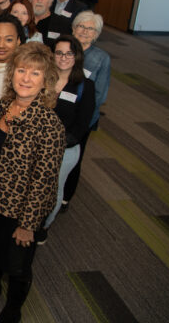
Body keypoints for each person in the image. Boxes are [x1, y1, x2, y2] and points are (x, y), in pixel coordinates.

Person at [0, 42, 65, 323]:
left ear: (46, 81)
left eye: (35, 74)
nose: (26, 78)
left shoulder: (49, 124)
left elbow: (44, 181)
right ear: (12, 74)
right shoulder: (2, 107)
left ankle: (13, 311)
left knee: (18, 266)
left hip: (20, 211)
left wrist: (28, 225)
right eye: (21, 70)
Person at [41, 35, 95, 239]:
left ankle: (44, 226)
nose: (63, 58)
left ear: (77, 56)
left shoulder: (85, 86)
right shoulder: (43, 78)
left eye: (69, 53)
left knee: (53, 190)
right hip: (37, 144)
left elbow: (82, 124)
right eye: (59, 53)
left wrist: (57, 145)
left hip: (65, 149)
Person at [63, 11, 111, 210]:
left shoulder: (101, 58)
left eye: (90, 28)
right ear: (73, 28)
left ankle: (65, 197)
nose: (84, 31)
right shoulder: (63, 49)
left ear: (96, 34)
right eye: (80, 26)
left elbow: (100, 95)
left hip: (82, 120)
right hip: (60, 113)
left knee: (75, 159)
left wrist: (83, 127)